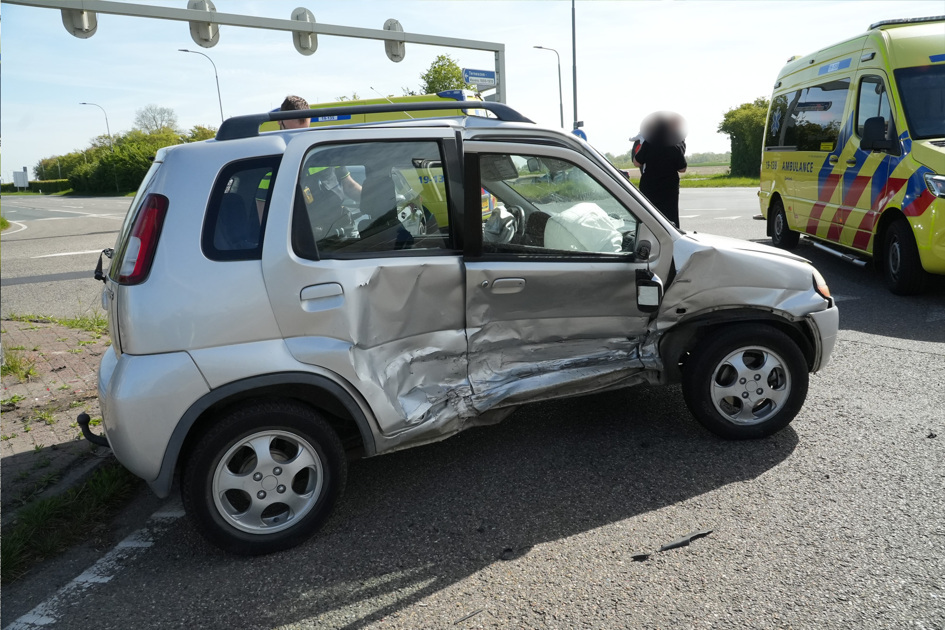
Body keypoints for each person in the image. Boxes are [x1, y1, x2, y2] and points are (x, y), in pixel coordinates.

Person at [632, 112, 688, 227]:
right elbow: (682, 169)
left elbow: (636, 162)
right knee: (670, 215)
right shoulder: (675, 146)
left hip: (649, 185)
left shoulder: (648, 143)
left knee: (648, 214)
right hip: (669, 187)